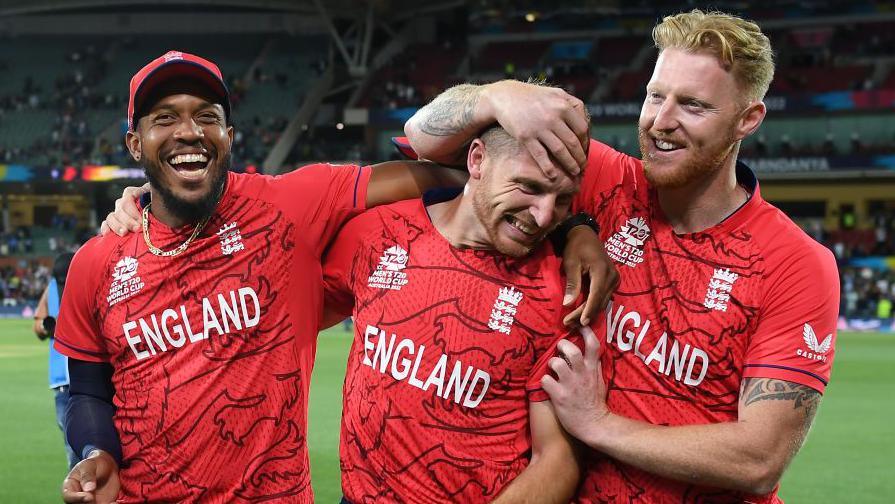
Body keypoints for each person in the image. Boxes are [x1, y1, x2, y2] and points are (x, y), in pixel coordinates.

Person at [59, 51, 613, 504]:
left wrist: (569, 225)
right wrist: (94, 452)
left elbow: (440, 174)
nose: (188, 131)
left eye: (207, 116)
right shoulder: (97, 260)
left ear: (230, 135)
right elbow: (85, 388)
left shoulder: (290, 207)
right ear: (135, 144)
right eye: (164, 118)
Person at [403, 9, 840, 503]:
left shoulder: (795, 263)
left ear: (748, 119)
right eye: (655, 95)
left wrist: (598, 424)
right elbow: (423, 137)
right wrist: (494, 97)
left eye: (693, 106)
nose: (661, 121)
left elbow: (759, 458)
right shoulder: (602, 181)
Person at [321, 125, 581, 503]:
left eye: (562, 201)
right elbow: (292, 319)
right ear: (476, 161)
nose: (543, 216)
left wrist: (580, 229)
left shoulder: (559, 293)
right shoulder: (377, 232)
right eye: (529, 186)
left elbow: (558, 459)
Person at [32, 252, 78, 470]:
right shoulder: (51, 290)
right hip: (62, 380)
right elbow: (38, 325)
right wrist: (46, 326)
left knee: (84, 438)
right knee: (70, 436)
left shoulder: (87, 281)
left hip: (89, 376)